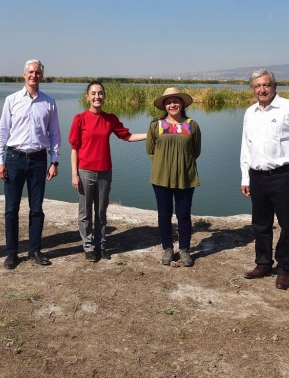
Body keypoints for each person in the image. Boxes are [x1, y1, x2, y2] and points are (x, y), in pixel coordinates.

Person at [240, 69, 289, 290]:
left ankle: (285, 269)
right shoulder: (250, 112)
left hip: (284, 175)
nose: (262, 89)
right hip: (257, 176)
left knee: (288, 224)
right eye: (257, 86)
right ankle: (263, 264)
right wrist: (245, 177)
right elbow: (245, 146)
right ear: (252, 89)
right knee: (260, 224)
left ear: (275, 85)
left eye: (266, 85)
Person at [69, 81, 147, 262]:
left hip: (105, 172)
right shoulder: (79, 118)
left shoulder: (110, 118)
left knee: (101, 211)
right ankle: (88, 247)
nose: (97, 97)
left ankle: (101, 244)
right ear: (87, 96)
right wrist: (74, 174)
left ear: (104, 96)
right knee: (85, 212)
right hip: (85, 171)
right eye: (94, 93)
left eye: (101, 93)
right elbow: (74, 148)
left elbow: (127, 136)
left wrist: (151, 133)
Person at [0, 59, 61, 270]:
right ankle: (12, 253)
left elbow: (55, 135)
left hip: (39, 160)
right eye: (30, 72)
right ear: (24, 74)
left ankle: (34, 250)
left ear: (42, 76)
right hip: (14, 159)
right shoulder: (11, 100)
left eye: (38, 72)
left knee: (37, 208)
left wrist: (54, 161)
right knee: (11, 209)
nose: (34, 75)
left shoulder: (49, 102)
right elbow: (2, 133)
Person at [146, 87, 202, 267]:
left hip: (185, 177)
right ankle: (168, 249)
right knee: (164, 215)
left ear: (182, 104)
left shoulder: (192, 125)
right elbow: (151, 150)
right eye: (168, 102)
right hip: (161, 177)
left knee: (184, 215)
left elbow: (196, 151)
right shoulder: (156, 125)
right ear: (164, 105)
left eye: (175, 101)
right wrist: (165, 164)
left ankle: (185, 250)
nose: (172, 104)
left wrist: (180, 164)